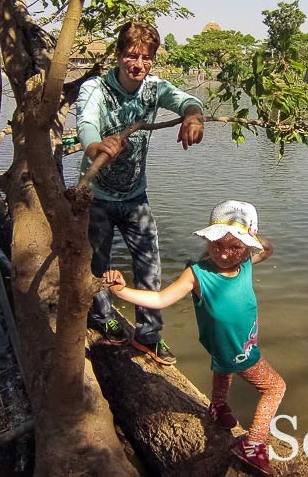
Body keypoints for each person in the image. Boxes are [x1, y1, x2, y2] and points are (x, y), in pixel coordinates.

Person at [103, 200, 285, 476]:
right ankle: (253, 443)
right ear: (208, 242)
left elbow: (268, 249)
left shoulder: (246, 262)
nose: (224, 254)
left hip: (226, 344)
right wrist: (121, 291)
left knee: (223, 369)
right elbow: (161, 298)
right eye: (217, 245)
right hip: (239, 351)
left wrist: (251, 235)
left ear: (247, 246)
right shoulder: (197, 274)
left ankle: (218, 407)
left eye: (234, 246)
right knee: (275, 388)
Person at [76, 21, 204, 365]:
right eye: (131, 56)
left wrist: (194, 117)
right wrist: (95, 146)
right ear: (118, 55)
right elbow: (86, 123)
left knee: (149, 266)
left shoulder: (154, 88)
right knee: (97, 264)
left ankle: (148, 335)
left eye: (146, 58)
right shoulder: (95, 89)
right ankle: (102, 319)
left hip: (135, 197)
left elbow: (186, 100)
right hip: (97, 196)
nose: (138, 64)